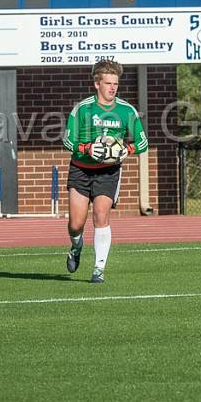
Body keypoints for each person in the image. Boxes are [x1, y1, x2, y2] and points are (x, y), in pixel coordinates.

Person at [62, 59, 148, 283]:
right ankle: (76, 247)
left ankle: (99, 269)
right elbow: (67, 141)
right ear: (97, 84)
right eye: (108, 83)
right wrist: (87, 148)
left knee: (101, 215)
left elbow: (142, 143)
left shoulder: (126, 110)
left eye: (116, 84)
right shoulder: (82, 109)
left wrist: (125, 149)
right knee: (76, 224)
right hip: (81, 170)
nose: (112, 88)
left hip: (109, 172)